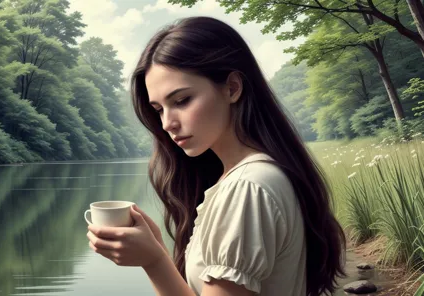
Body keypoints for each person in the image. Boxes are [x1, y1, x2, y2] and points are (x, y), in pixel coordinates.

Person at [86, 16, 346, 296]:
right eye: (159, 109)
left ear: (232, 88)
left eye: (182, 100)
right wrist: (157, 246)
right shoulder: (256, 176)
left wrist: (153, 261)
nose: (166, 123)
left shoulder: (247, 188)